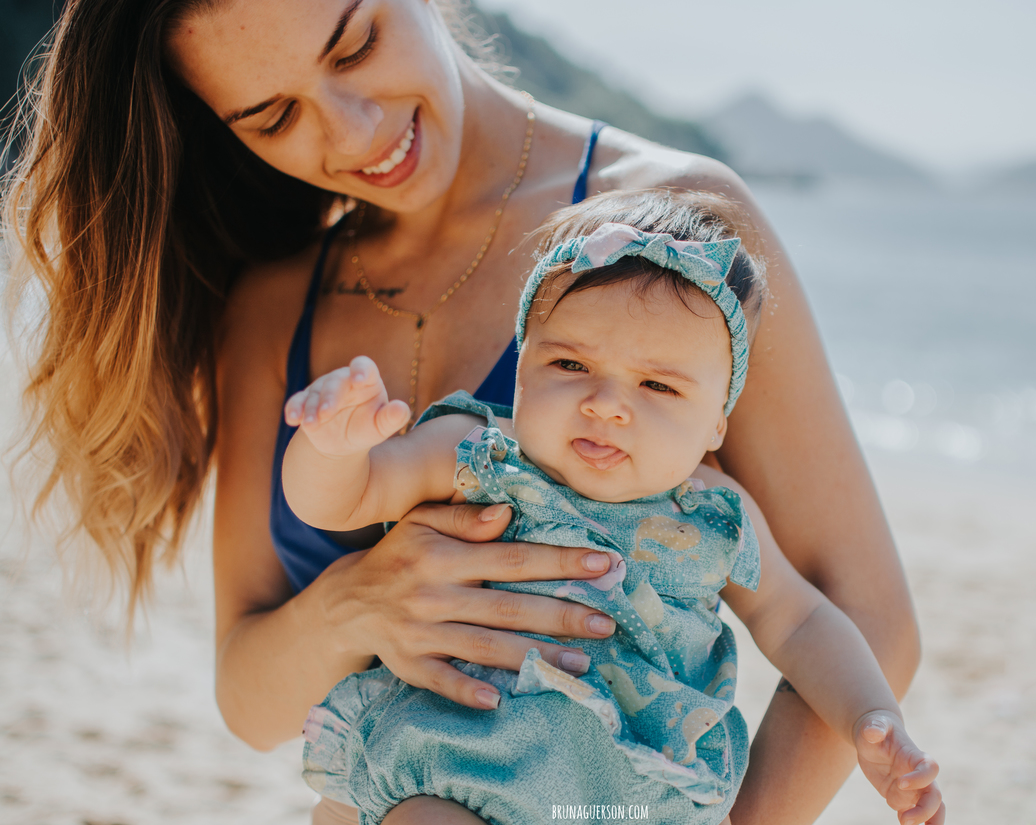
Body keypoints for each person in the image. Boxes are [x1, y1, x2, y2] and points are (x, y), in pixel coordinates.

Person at [2, 1, 936, 823]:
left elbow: (867, 616)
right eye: (274, 115)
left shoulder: (673, 239)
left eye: (357, 42)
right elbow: (249, 698)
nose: (355, 131)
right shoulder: (270, 310)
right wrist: (361, 603)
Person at [281, 192, 943, 825]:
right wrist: (331, 448)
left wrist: (869, 717)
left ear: (718, 421)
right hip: (456, 770)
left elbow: (799, 622)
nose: (606, 402)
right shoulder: (480, 455)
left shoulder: (717, 515)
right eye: (570, 363)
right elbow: (347, 498)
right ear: (523, 369)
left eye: (657, 384)